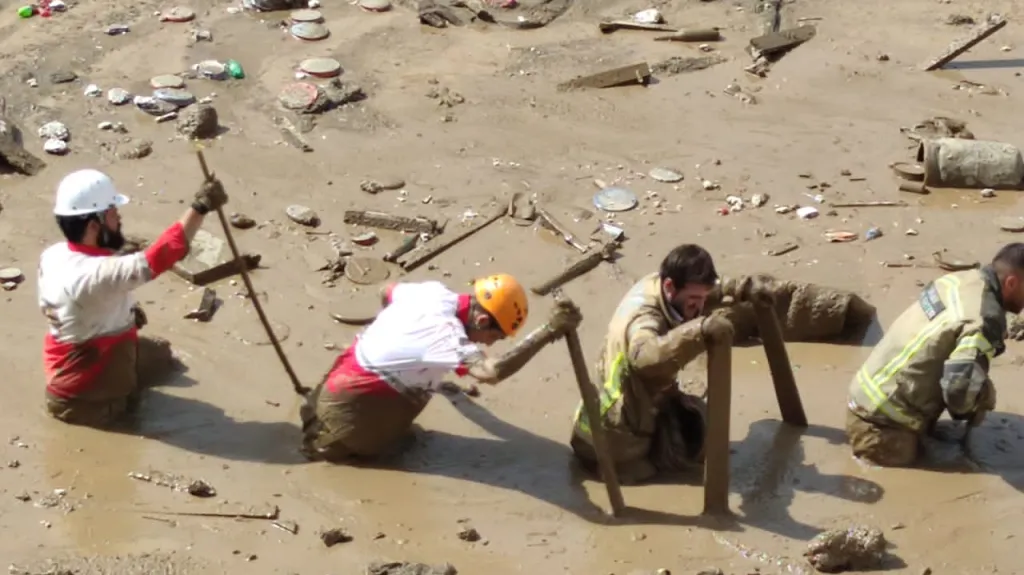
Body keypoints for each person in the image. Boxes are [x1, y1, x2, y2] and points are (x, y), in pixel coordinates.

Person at [300, 274, 583, 462]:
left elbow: (386, 290)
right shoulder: (445, 335)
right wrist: (549, 331)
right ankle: (338, 448)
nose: (491, 344)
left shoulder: (433, 292)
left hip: (338, 379)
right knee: (400, 450)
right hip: (353, 410)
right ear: (482, 322)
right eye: (495, 337)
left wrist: (391, 331)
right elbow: (491, 372)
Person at [39, 169, 228, 427]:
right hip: (83, 401)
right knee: (135, 412)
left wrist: (124, 313)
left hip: (69, 363)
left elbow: (93, 291)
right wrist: (200, 207)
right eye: (113, 214)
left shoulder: (54, 255)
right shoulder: (98, 275)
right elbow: (160, 256)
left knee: (163, 355)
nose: (119, 218)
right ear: (94, 225)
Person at [845, 245, 1023, 467]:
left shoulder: (960, 280)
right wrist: (971, 408)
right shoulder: (984, 320)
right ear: (1011, 283)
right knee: (980, 391)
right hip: (883, 428)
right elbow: (959, 390)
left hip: (865, 393)